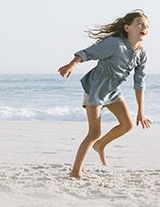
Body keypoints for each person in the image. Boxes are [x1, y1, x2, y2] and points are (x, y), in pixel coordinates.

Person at [57, 10, 153, 179]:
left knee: (128, 125)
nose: (144, 27)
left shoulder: (141, 54)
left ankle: (101, 145)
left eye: (146, 25)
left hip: (113, 90)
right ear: (127, 27)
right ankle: (75, 172)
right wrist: (71, 64)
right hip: (95, 88)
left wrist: (141, 111)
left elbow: (139, 84)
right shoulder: (114, 44)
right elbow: (88, 53)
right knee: (94, 132)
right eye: (139, 23)